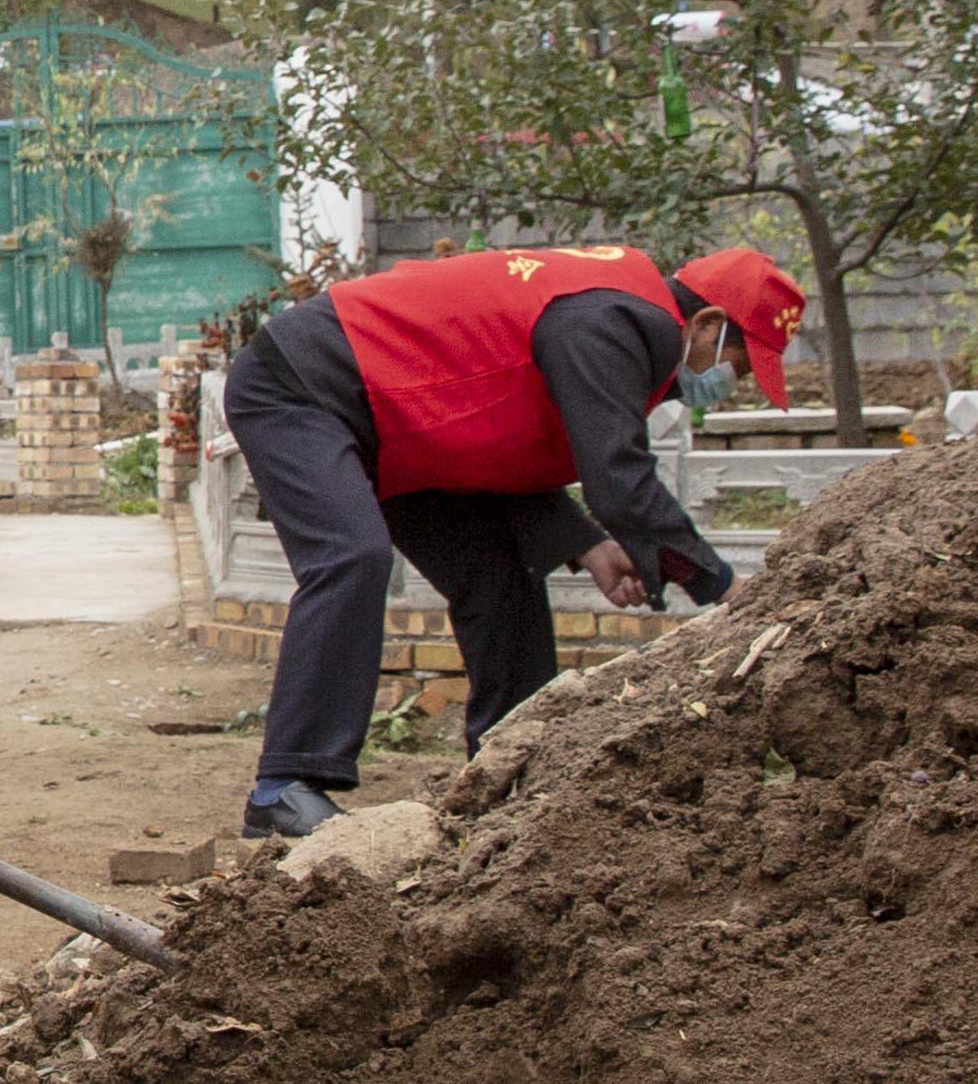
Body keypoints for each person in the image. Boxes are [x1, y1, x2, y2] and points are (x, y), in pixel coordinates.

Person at [214, 242, 809, 840]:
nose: (738, 383)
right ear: (706, 323)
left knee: (502, 576)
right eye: (741, 364)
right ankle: (284, 789)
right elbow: (620, 480)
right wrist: (726, 589)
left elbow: (498, 428)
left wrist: (588, 544)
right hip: (301, 385)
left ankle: (511, 773)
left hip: (403, 422)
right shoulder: (619, 321)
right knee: (351, 556)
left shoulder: (611, 315)